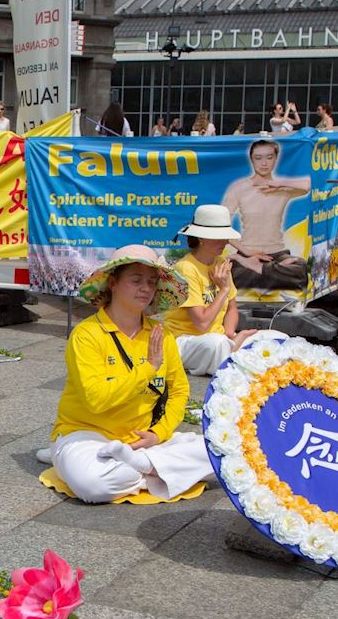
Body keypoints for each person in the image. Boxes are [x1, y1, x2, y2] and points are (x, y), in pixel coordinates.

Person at [50, 245, 212, 504]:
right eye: (136, 280)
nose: (145, 288)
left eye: (151, 282)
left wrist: (158, 433)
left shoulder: (161, 334)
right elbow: (96, 400)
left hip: (142, 440)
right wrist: (148, 368)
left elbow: (179, 391)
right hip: (87, 435)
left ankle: (142, 464)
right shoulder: (86, 334)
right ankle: (155, 469)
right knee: (94, 485)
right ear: (113, 283)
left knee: (223, 454)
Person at [164, 207, 263, 375]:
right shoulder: (186, 268)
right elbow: (202, 324)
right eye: (219, 238)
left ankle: (233, 349)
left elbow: (232, 307)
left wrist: (230, 334)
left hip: (220, 338)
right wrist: (223, 289)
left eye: (226, 237)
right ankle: (232, 355)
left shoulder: (221, 262)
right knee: (217, 344)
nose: (225, 242)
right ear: (201, 238)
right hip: (186, 339)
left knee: (271, 338)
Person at [220, 140, 311, 291]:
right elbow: (220, 225)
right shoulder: (239, 188)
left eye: (269, 157)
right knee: (232, 273)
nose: (264, 163)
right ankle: (270, 273)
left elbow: (308, 185)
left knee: (300, 268)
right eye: (258, 158)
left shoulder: (282, 189)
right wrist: (246, 253)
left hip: (278, 255)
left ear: (276, 158)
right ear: (251, 159)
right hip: (247, 255)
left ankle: (261, 270)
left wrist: (280, 183)